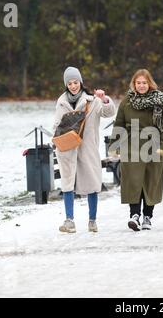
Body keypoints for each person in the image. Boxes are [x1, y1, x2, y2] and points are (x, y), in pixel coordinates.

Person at [110, 69, 163, 231]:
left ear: (149, 83)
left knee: (150, 181)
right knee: (133, 181)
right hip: (131, 146)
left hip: (153, 146)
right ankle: (134, 215)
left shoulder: (160, 101)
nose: (141, 86)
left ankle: (147, 216)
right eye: (138, 83)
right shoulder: (126, 101)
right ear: (134, 84)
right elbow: (119, 123)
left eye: (144, 83)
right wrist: (114, 146)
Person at [53, 66, 115, 233]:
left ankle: (92, 220)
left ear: (81, 82)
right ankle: (69, 221)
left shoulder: (92, 101)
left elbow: (109, 113)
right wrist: (57, 139)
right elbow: (56, 125)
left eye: (76, 82)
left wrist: (105, 99)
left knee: (92, 182)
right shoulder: (61, 102)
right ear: (66, 85)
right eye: (70, 83)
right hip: (67, 149)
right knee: (67, 183)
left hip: (87, 148)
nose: (73, 86)